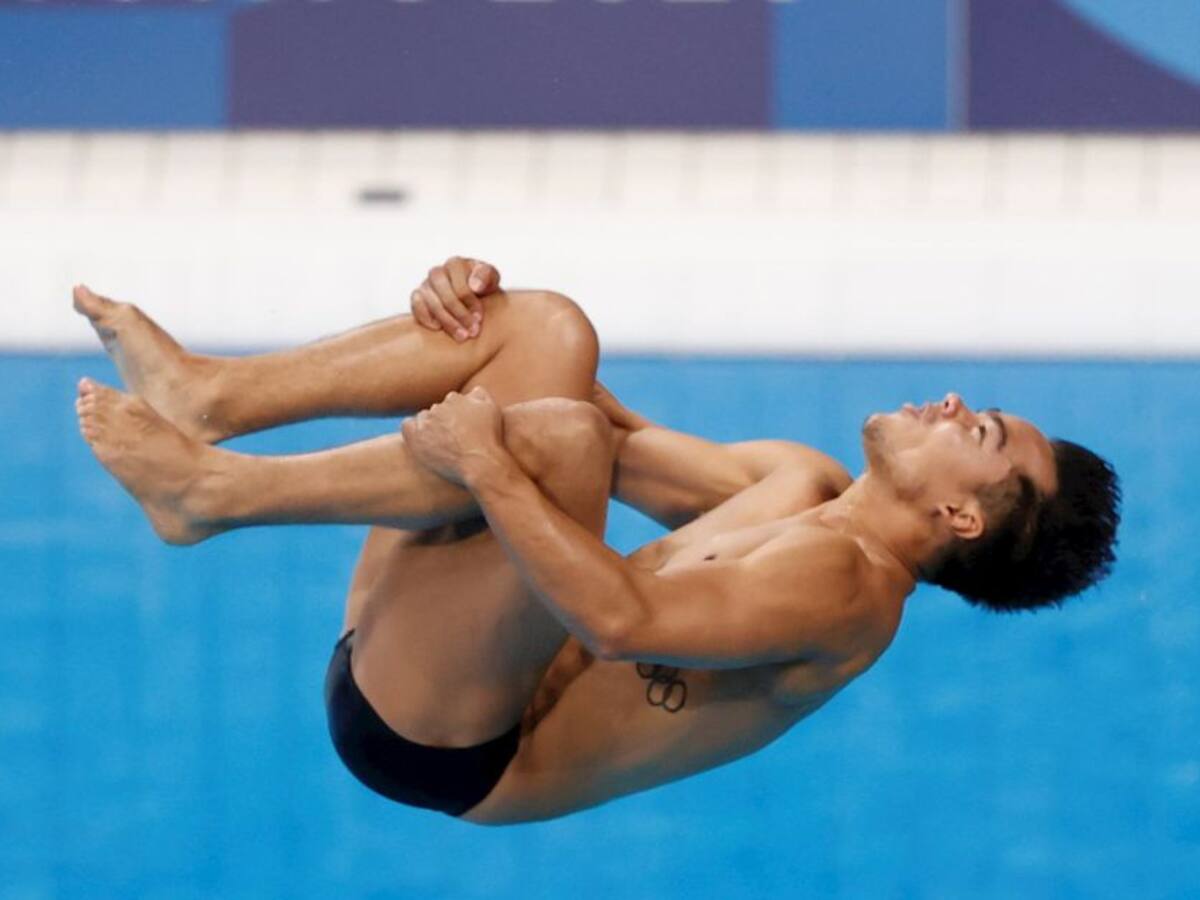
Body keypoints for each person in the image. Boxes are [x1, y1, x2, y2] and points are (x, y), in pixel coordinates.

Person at [72, 257, 1120, 824]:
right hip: (437, 643)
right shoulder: (797, 482)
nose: (950, 402)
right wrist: (466, 323)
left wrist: (486, 459)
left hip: (449, 741)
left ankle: (211, 494)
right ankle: (215, 395)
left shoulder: (849, 597)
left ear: (962, 519)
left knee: (551, 444)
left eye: (977, 431)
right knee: (552, 330)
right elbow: (603, 424)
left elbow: (621, 620)